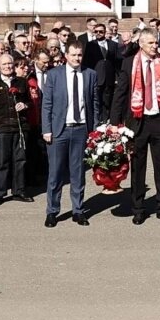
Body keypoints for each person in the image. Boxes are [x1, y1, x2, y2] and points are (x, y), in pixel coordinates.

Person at [110, 29, 160, 225]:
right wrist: (115, 123)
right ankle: (138, 208)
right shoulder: (129, 63)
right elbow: (120, 93)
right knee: (138, 168)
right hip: (137, 122)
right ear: (140, 44)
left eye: (156, 43)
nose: (154, 46)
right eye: (150, 43)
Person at [42, 41, 99, 228]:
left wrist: (95, 130)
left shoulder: (90, 75)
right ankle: (52, 211)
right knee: (55, 173)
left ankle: (78, 210)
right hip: (60, 130)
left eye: (79, 55)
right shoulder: (54, 75)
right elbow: (47, 104)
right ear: (66, 55)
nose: (77, 58)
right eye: (73, 55)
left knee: (78, 173)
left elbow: (95, 104)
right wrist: (47, 129)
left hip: (81, 129)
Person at [0, 54, 33, 206]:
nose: (8, 67)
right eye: (4, 64)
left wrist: (24, 105)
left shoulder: (22, 82)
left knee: (20, 160)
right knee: (2, 162)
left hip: (19, 128)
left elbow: (30, 103)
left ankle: (19, 191)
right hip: (1, 129)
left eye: (10, 64)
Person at [82, 23, 118, 122]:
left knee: (108, 101)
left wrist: (116, 78)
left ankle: (106, 121)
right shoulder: (90, 45)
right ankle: (96, 121)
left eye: (101, 31)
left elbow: (117, 62)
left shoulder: (113, 45)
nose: (98, 33)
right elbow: (86, 62)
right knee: (96, 101)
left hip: (109, 78)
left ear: (105, 32)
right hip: (96, 77)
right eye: (96, 31)